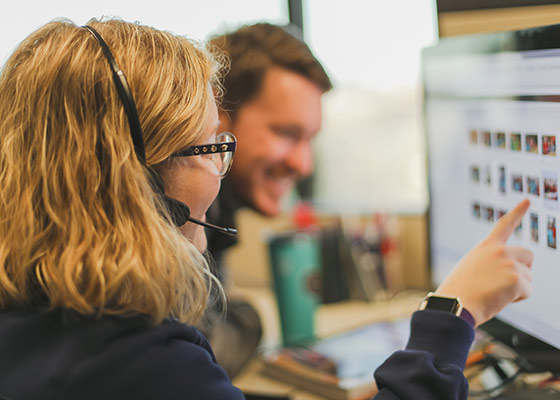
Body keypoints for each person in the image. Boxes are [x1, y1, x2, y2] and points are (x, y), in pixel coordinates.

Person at [0, 18, 533, 400]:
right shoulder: (139, 359)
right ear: (136, 175)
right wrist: (451, 313)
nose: (220, 167)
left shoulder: (39, 312)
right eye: (212, 146)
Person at [199, 22, 333, 378]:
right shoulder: (183, 213)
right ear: (219, 113)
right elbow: (204, 350)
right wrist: (251, 320)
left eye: (310, 140)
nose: (304, 164)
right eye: (287, 134)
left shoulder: (217, 210)